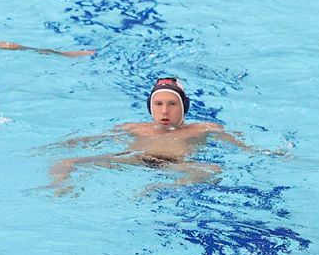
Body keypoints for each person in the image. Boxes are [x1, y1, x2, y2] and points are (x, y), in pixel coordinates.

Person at [49, 78, 274, 195]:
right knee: (68, 162)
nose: (164, 111)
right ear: (150, 107)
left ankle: (164, 189)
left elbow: (242, 146)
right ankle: (59, 189)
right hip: (137, 159)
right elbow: (93, 139)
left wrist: (269, 152)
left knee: (212, 171)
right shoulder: (134, 127)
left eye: (172, 104)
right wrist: (65, 144)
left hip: (176, 166)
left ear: (183, 107)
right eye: (158, 104)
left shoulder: (203, 128)